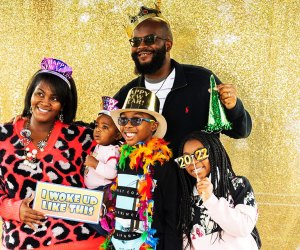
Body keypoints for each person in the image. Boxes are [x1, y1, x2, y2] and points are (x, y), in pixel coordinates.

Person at [114, 5, 252, 156]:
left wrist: (233, 107)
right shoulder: (127, 93)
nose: (141, 46)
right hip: (145, 179)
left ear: (168, 44)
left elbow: (241, 131)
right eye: (135, 42)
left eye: (149, 39)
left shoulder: (202, 81)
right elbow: (103, 132)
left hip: (195, 177)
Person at [0, 58, 105, 249]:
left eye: (55, 98)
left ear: (63, 105)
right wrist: (14, 209)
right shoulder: (2, 136)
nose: (45, 102)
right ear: (30, 96)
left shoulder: (82, 137)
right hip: (23, 242)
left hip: (81, 242)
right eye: (39, 94)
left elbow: (122, 151)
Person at [105, 87, 181, 249]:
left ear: (153, 126)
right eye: (124, 120)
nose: (128, 126)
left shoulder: (163, 164)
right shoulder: (123, 158)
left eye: (137, 120)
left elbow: (172, 218)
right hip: (118, 243)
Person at [175, 131, 261, 249]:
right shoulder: (187, 197)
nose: (193, 162)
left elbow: (243, 228)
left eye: (200, 154)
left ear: (214, 151)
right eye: (186, 159)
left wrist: (210, 200)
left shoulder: (238, 185)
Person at [84, 96, 122, 235]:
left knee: (95, 217)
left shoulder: (113, 150)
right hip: (93, 191)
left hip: (103, 191)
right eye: (96, 125)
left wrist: (94, 164)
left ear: (117, 135)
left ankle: (110, 235)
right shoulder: (100, 146)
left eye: (104, 127)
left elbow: (112, 173)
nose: (98, 130)